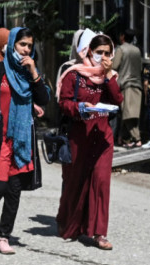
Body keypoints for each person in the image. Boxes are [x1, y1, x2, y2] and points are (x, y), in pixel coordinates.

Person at [0, 27, 49, 254]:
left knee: (14, 190)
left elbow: (44, 98)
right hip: (0, 138)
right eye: (22, 45)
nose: (26, 49)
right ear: (12, 46)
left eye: (29, 46)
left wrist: (35, 73)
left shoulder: (29, 73)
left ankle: (4, 236)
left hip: (22, 141)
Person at [56, 33, 124, 250]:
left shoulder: (110, 76)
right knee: (76, 181)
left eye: (107, 53)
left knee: (101, 183)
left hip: (102, 136)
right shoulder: (75, 74)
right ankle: (71, 225)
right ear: (88, 52)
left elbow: (117, 100)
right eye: (99, 53)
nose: (102, 57)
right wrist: (80, 109)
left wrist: (110, 76)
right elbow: (64, 102)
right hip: (79, 136)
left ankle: (99, 233)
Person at [113, 29, 143, 148]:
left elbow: (115, 66)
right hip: (137, 84)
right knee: (131, 113)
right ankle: (122, 138)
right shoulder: (137, 50)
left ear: (123, 36)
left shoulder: (121, 49)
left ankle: (137, 138)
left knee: (127, 114)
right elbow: (140, 67)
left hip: (125, 84)